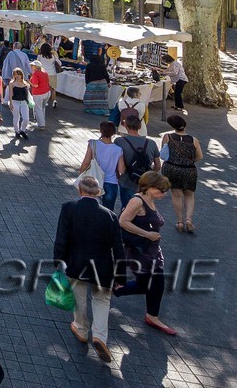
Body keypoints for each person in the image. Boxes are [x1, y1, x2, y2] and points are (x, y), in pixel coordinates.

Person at [53, 175, 124, 363]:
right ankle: (100, 336)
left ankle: (81, 328)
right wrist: (121, 276)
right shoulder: (110, 216)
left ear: (80, 190)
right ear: (98, 192)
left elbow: (62, 236)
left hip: (77, 264)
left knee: (79, 298)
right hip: (103, 268)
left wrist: (57, 259)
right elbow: (118, 249)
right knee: (101, 301)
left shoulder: (69, 208)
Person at [116, 172, 179, 336]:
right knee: (148, 285)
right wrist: (147, 234)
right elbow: (123, 221)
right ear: (149, 187)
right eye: (161, 190)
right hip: (140, 253)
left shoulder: (149, 199)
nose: (164, 194)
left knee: (156, 286)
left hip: (152, 252)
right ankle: (113, 289)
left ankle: (152, 316)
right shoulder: (137, 201)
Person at [160, 113, 204, 233]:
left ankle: (180, 222)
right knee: (189, 195)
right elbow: (199, 156)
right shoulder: (193, 140)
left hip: (172, 169)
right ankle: (189, 219)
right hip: (189, 170)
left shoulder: (167, 137)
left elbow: (164, 153)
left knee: (176, 195)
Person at [79, 121, 126, 212]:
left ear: (100, 130)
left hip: (94, 181)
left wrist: (81, 175)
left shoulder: (93, 144)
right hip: (111, 182)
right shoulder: (118, 149)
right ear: (114, 133)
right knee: (108, 210)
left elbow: (86, 163)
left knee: (91, 209)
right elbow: (121, 170)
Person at [8, 68, 32, 141]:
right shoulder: (12, 83)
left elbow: (28, 93)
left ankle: (22, 130)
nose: (17, 76)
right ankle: (17, 131)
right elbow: (10, 94)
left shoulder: (25, 83)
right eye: (15, 74)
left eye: (18, 74)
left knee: (26, 119)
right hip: (15, 102)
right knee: (16, 118)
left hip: (24, 102)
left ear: (22, 75)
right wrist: (11, 103)